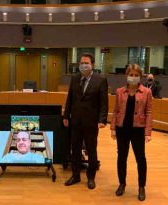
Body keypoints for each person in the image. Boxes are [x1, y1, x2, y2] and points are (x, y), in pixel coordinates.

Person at [63, 53, 108, 190]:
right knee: (75, 149)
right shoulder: (75, 78)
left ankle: (91, 178)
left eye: (86, 63)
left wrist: (102, 120)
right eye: (81, 63)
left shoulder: (100, 80)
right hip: (75, 121)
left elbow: (104, 103)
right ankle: (76, 175)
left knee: (91, 150)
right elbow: (70, 98)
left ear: (92, 65)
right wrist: (66, 116)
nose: (83, 65)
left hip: (91, 122)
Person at [110, 64, 152, 201]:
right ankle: (122, 183)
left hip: (138, 129)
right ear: (127, 76)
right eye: (131, 75)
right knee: (122, 157)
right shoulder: (120, 91)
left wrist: (148, 132)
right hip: (122, 129)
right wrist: (113, 128)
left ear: (140, 77)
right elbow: (116, 110)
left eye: (136, 75)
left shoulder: (146, 92)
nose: (133, 77)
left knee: (141, 159)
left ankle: (141, 187)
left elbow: (149, 112)